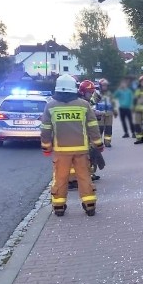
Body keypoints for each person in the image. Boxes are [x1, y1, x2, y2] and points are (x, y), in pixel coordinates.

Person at [40, 74, 103, 217]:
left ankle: (59, 207)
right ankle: (90, 205)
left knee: (61, 179)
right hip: (81, 150)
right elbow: (93, 127)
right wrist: (98, 145)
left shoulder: (50, 106)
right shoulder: (83, 105)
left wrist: (46, 147)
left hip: (61, 151)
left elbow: (45, 129)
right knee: (84, 177)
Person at [93, 78, 116, 147]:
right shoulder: (96, 93)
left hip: (109, 113)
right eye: (103, 85)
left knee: (109, 128)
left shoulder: (110, 94)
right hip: (100, 113)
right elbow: (93, 102)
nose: (105, 87)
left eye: (106, 86)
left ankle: (107, 142)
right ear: (100, 86)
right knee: (100, 128)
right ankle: (98, 143)